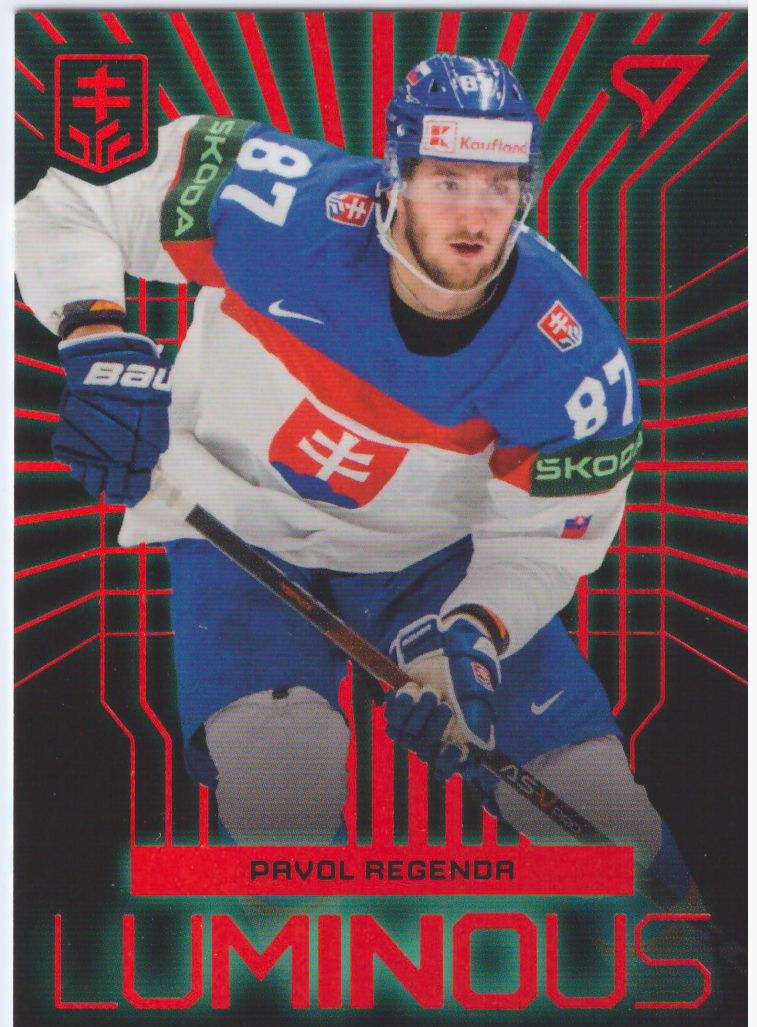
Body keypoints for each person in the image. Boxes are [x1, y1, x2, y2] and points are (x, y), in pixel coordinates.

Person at [15, 54, 692, 901]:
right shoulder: (278, 202)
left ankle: (696, 966)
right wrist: (95, 337)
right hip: (232, 523)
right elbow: (70, 203)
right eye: (447, 181)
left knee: (595, 805)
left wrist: (476, 630)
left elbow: (551, 538)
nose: (475, 215)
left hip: (432, 561)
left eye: (499, 184)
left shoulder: (575, 357)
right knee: (281, 811)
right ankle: (296, 980)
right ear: (394, 178)